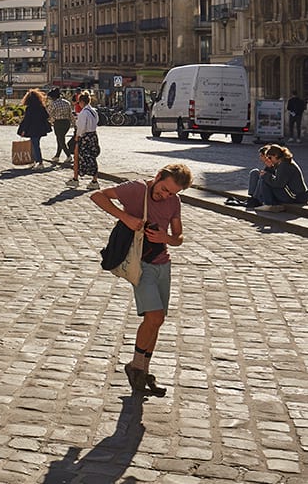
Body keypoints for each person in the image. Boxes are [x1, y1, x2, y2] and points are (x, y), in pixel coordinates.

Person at [90, 163, 191, 397]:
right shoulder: (136, 189)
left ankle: (141, 370)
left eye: (171, 193)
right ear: (157, 176)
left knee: (157, 321)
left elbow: (179, 238)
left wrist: (167, 237)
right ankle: (136, 367)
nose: (164, 195)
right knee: (153, 316)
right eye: (164, 188)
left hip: (162, 265)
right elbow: (98, 196)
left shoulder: (174, 202)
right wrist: (125, 217)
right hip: (141, 264)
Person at [246, 143, 308, 212]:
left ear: (276, 155)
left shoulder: (285, 165)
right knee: (258, 174)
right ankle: (256, 200)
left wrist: (266, 175)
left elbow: (278, 184)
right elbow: (278, 179)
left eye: (270, 157)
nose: (269, 160)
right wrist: (269, 169)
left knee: (264, 179)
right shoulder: (283, 163)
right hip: (294, 195)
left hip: (295, 197)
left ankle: (269, 204)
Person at [68, 91, 100, 189]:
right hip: (93, 136)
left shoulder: (83, 113)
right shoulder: (93, 111)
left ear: (82, 102)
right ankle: (94, 180)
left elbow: (81, 126)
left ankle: (75, 179)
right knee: (92, 157)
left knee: (78, 156)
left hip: (85, 137)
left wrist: (78, 135)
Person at [18, 89, 52, 170]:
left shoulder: (29, 108)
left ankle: (39, 162)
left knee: (35, 145)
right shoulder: (41, 107)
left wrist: (23, 130)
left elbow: (26, 120)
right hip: (40, 128)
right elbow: (47, 116)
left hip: (32, 129)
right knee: (35, 144)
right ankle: (34, 160)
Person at [46, 88, 73, 164]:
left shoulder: (54, 104)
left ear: (53, 97)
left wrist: (50, 121)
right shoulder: (67, 102)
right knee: (60, 139)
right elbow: (70, 114)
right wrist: (74, 124)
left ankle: (68, 155)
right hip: (66, 122)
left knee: (61, 140)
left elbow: (48, 114)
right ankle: (57, 156)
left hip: (58, 123)